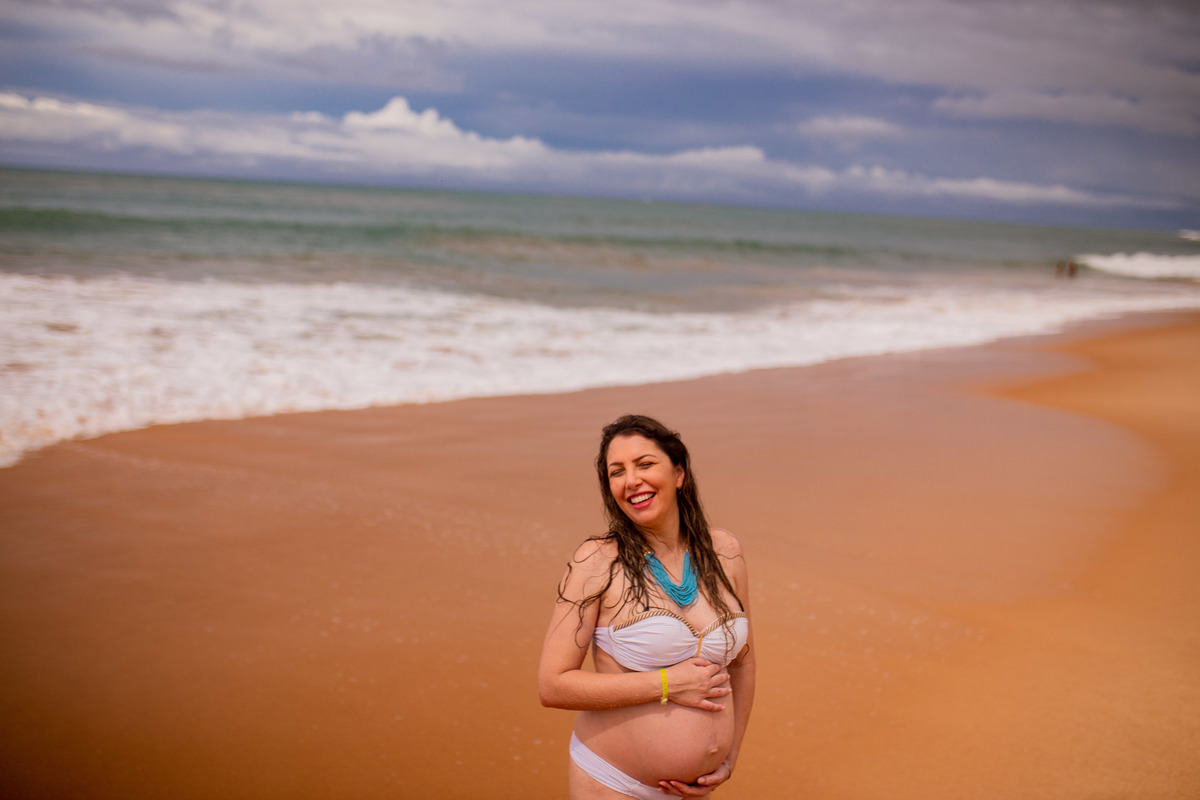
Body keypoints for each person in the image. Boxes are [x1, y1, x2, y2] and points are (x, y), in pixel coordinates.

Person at [539, 415, 756, 798]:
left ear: (678, 473)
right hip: (614, 782)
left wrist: (730, 753)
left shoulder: (724, 552)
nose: (631, 481)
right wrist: (668, 684)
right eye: (616, 472)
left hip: (697, 790)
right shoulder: (597, 561)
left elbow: (743, 662)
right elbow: (553, 685)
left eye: (645, 464)